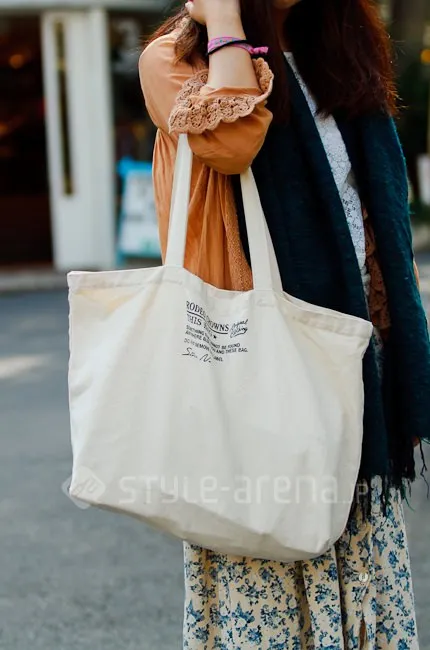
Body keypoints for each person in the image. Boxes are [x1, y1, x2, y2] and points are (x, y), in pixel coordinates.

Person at [139, 0, 430, 646]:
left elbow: (376, 219)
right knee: (269, 594)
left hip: (353, 370)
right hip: (254, 376)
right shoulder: (175, 59)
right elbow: (232, 143)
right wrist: (224, 23)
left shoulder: (336, 53)